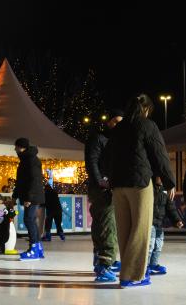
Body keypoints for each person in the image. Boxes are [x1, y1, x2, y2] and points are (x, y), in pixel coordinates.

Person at [105, 93, 176, 288]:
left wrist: (109, 180)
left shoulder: (118, 128)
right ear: (145, 109)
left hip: (118, 185)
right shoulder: (147, 125)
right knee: (141, 228)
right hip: (140, 184)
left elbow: (107, 156)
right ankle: (134, 275)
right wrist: (170, 182)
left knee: (125, 230)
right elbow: (159, 154)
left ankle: (128, 274)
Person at [86, 108, 122, 282]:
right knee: (107, 224)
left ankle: (102, 259)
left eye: (121, 122)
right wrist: (101, 182)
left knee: (103, 223)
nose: (118, 125)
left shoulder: (116, 141)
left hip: (111, 187)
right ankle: (104, 265)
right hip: (101, 188)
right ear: (108, 122)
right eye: (115, 121)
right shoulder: (98, 138)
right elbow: (92, 161)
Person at [13, 137, 46, 261]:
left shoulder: (30, 160)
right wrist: (15, 196)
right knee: (30, 220)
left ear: (22, 147)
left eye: (16, 147)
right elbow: (21, 181)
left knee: (29, 220)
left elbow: (34, 180)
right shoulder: (26, 159)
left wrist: (29, 198)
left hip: (33, 196)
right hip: (32, 195)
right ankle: (38, 247)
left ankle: (33, 249)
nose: (15, 149)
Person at [147, 176, 183, 275]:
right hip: (150, 222)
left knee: (158, 245)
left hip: (159, 223)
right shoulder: (149, 189)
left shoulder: (165, 191)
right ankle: (145, 267)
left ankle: (153, 264)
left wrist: (177, 220)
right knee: (150, 246)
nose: (163, 179)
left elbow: (170, 207)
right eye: (160, 177)